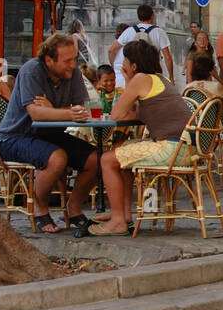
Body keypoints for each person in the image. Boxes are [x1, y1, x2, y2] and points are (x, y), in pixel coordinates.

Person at [81, 39, 195, 237]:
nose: (122, 65)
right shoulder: (158, 79)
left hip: (173, 148)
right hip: (185, 147)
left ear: (133, 65)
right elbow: (135, 114)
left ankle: (117, 221)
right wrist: (129, 83)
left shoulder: (141, 79)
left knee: (106, 159)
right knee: (119, 151)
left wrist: (127, 81)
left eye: (124, 61)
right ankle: (123, 215)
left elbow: (116, 114)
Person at [0, 32, 101, 233]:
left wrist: (53, 109)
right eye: (67, 60)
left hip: (50, 135)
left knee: (97, 159)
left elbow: (82, 109)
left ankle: (73, 208)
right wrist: (65, 112)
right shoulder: (31, 71)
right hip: (16, 136)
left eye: (74, 59)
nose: (72, 65)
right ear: (49, 60)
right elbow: (36, 113)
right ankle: (40, 209)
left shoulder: (73, 73)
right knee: (57, 158)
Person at [108, 4, 173, 89]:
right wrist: (171, 75)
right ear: (152, 16)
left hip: (132, 74)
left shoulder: (129, 31)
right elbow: (167, 57)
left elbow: (111, 50)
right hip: (152, 75)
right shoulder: (159, 32)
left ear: (138, 17)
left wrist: (113, 65)